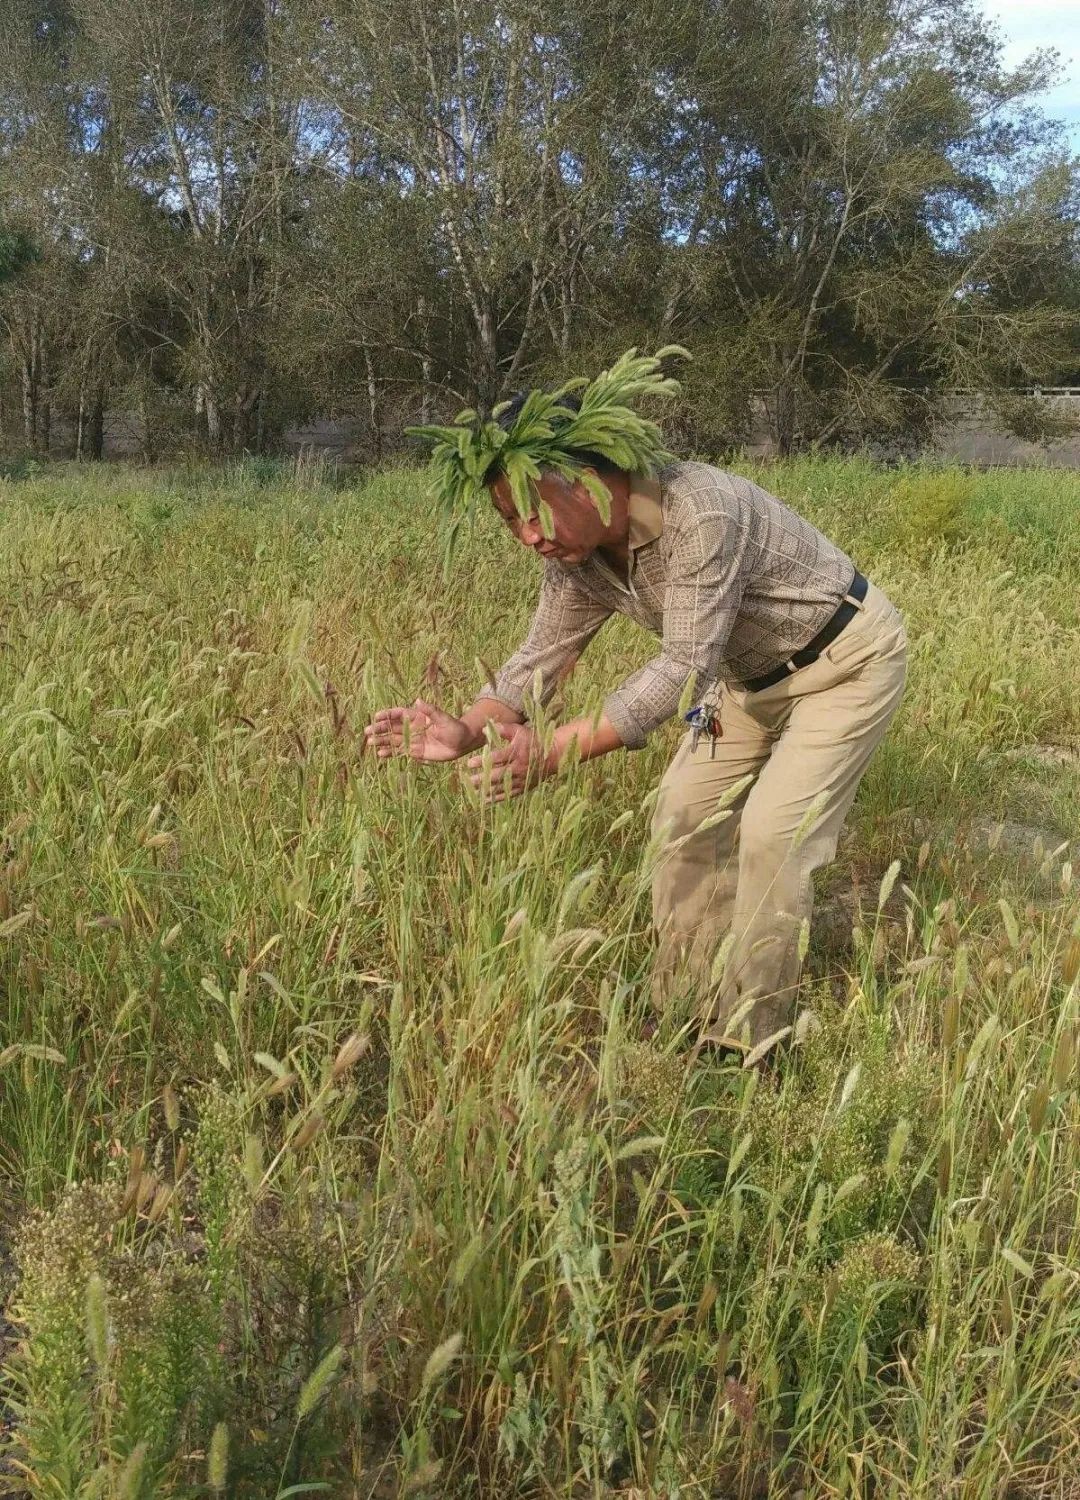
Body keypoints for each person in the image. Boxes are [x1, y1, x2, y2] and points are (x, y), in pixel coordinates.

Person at [363, 350, 907, 1055]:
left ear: (591, 478)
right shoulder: (577, 557)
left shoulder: (701, 510)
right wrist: (467, 729)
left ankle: (749, 1039)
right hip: (741, 684)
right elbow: (539, 658)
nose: (528, 536)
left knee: (773, 833)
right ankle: (684, 1004)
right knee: (681, 817)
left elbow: (683, 665)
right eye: (510, 520)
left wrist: (554, 753)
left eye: (534, 511)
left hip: (842, 664)